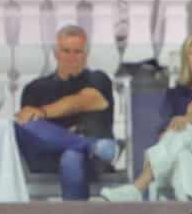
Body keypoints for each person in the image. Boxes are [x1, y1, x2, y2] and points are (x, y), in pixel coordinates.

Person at [101, 32, 192, 203]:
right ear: (187, 59)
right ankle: (190, 208)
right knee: (182, 156)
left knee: (184, 131)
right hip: (190, 154)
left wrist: (190, 119)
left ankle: (137, 187)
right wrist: (172, 132)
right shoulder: (177, 94)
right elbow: (166, 135)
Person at [13, 25, 119, 201]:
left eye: (77, 52)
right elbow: (28, 125)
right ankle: (88, 144)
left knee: (71, 156)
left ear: (86, 54)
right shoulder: (35, 88)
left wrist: (43, 112)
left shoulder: (98, 78)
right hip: (49, 155)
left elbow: (88, 100)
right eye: (66, 51)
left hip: (89, 160)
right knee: (22, 126)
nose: (71, 57)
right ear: (56, 53)